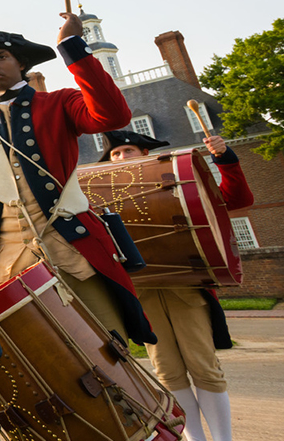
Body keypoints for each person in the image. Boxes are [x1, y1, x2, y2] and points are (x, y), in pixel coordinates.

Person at [0, 24, 156, 346]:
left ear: (21, 63)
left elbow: (112, 116)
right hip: (8, 259)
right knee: (38, 352)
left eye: (0, 57)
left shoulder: (59, 103)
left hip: (73, 248)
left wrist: (72, 46)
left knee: (110, 342)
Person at [102, 130, 254, 441]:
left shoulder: (174, 183)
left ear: (145, 154)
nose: (121, 157)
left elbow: (237, 200)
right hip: (144, 292)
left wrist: (224, 158)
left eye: (128, 151)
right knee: (167, 373)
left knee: (204, 369)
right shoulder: (102, 195)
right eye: (115, 154)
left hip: (185, 287)